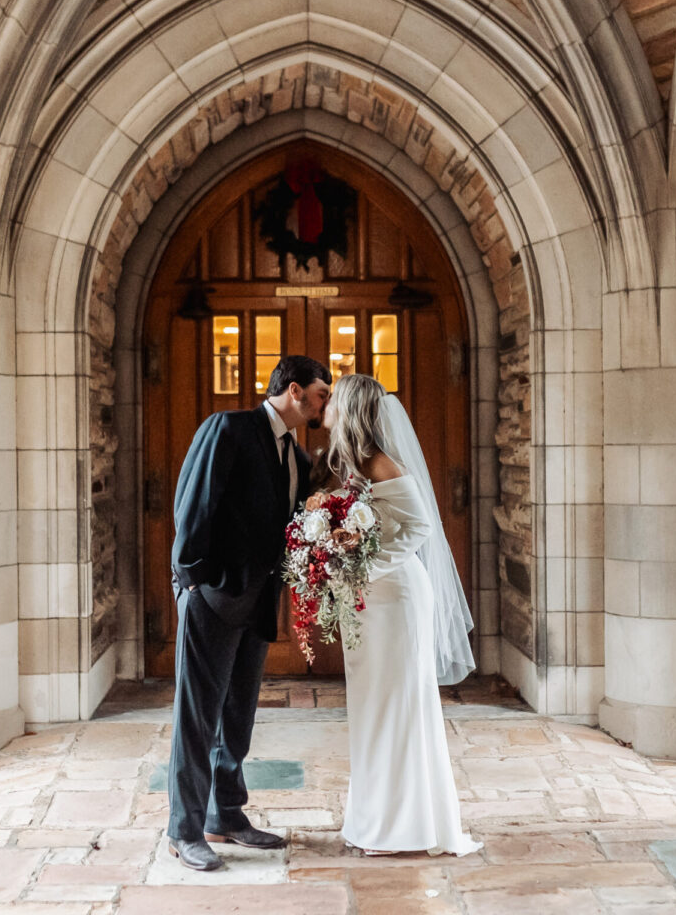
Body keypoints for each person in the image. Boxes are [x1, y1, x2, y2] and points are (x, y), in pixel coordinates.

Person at [166, 354, 331, 871]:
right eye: (322, 393)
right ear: (296, 390)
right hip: (212, 597)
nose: (325, 403)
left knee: (236, 716)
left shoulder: (300, 458)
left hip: (260, 602)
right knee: (197, 718)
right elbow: (194, 502)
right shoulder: (229, 428)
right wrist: (192, 580)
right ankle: (185, 829)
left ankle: (227, 815)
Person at [321, 373, 482, 857]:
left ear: (349, 409)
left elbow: (419, 529)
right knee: (373, 708)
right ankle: (375, 819)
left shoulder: (384, 464)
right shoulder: (354, 465)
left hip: (398, 599)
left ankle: (404, 827)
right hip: (372, 599)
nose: (324, 406)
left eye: (332, 400)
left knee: (398, 706)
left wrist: (362, 569)